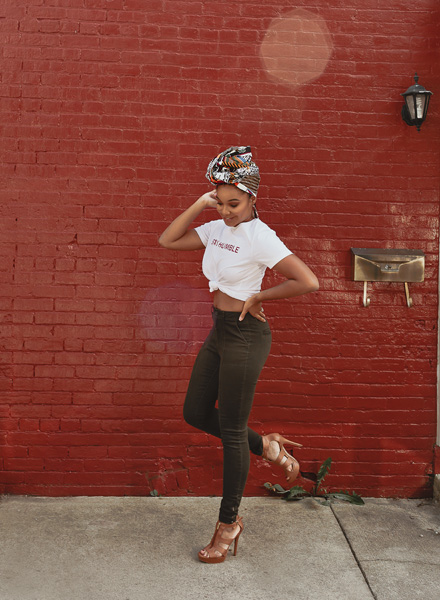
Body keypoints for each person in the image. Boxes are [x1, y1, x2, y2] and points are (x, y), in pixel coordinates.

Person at [158, 146, 319, 564]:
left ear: (252, 198)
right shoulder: (215, 229)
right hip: (220, 331)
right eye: (222, 201)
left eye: (235, 203)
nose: (227, 211)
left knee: (231, 428)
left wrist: (261, 294)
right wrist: (199, 203)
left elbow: (307, 280)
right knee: (195, 411)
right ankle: (267, 447)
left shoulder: (260, 237)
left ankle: (228, 525)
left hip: (246, 335)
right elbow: (168, 240)